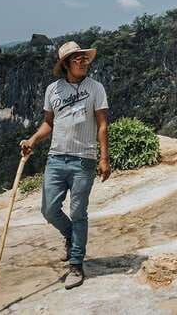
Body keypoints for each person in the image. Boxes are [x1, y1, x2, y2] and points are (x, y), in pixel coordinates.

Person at [19, 41, 110, 290]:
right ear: (66, 64)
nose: (82, 62)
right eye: (77, 59)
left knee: (79, 212)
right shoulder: (53, 90)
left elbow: (102, 124)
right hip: (56, 158)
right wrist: (32, 140)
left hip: (84, 159)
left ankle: (76, 264)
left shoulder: (96, 88)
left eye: (84, 58)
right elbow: (49, 123)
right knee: (49, 210)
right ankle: (70, 236)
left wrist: (104, 159)